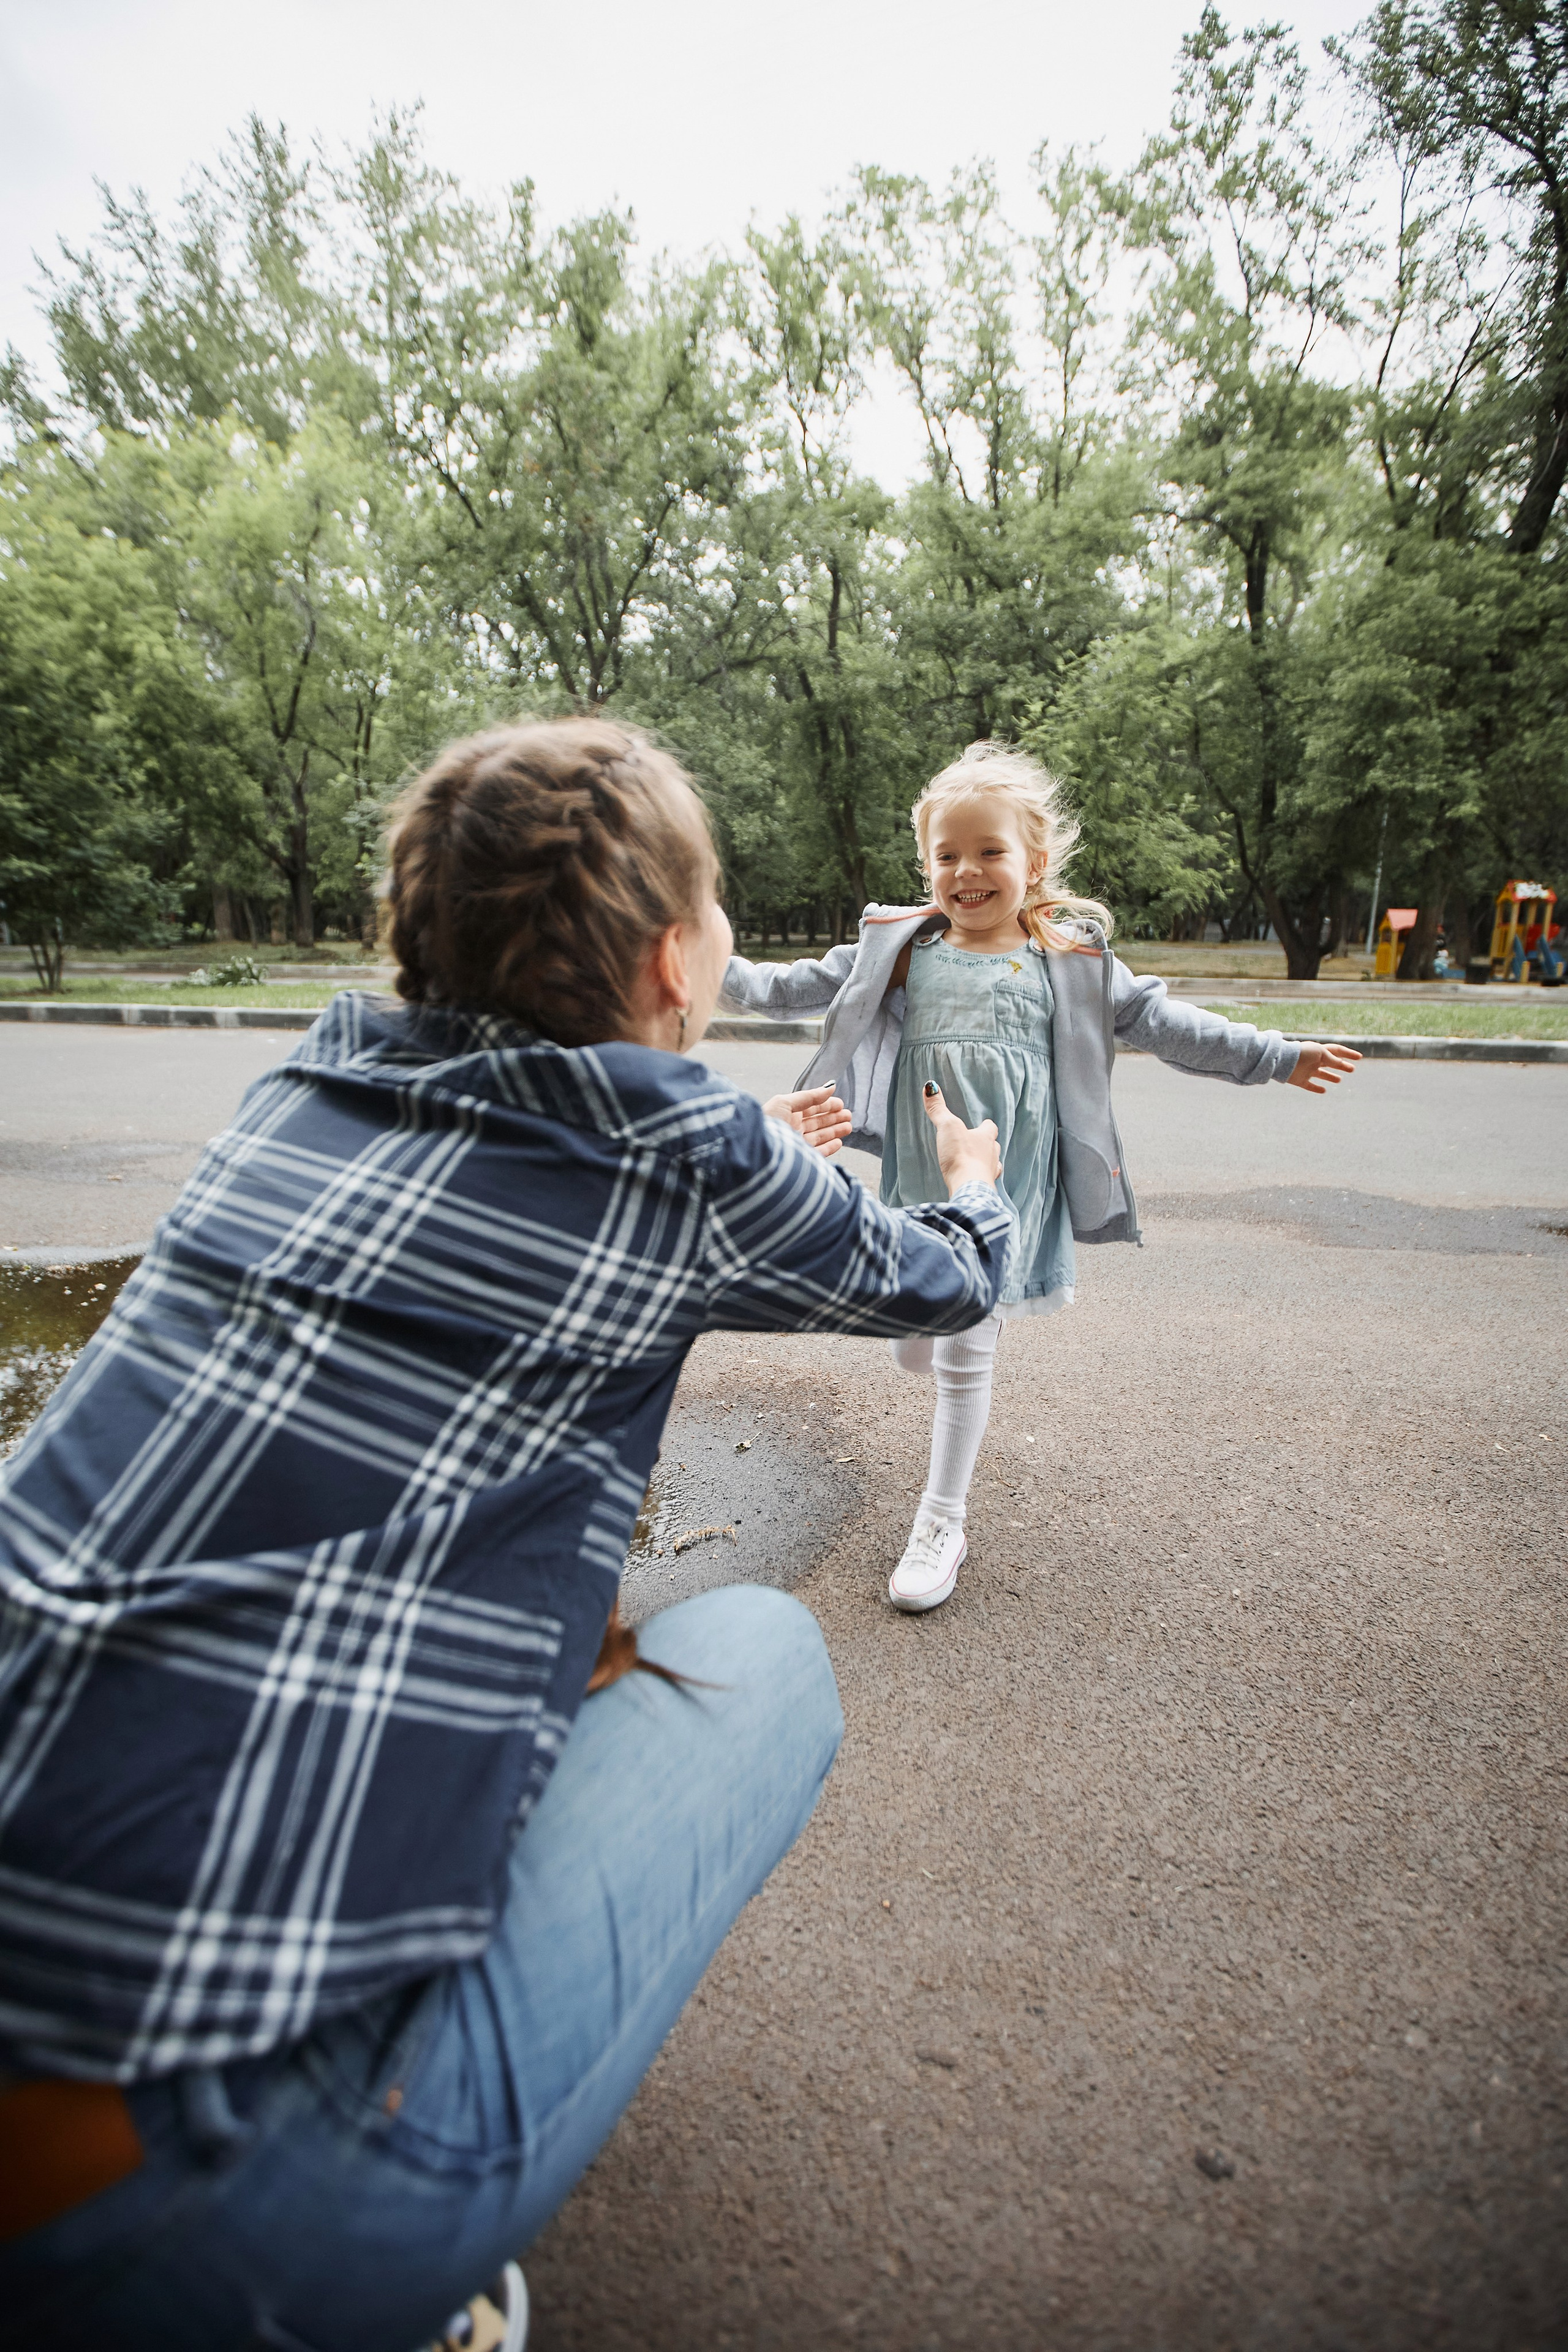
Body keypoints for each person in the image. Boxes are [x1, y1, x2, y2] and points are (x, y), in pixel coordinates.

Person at [0, 718, 1011, 2351]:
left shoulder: (292, 1097)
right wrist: (973, 1177)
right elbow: (938, 1273)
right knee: (757, 1657)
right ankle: (382, 2262)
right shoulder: (692, 1153)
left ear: (415, 941)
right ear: (677, 962)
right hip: (178, 2222)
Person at [720, 741, 1361, 1614]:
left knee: (968, 1340)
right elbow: (784, 986)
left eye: (990, 851)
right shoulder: (905, 949)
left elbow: (1168, 1023)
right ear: (925, 866)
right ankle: (933, 1331)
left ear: (1036, 862)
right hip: (924, 1173)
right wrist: (690, 957)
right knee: (920, 1331)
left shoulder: (1071, 961)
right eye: (947, 855)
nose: (967, 871)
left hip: (1013, 1180)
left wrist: (1275, 1057)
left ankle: (942, 1519)